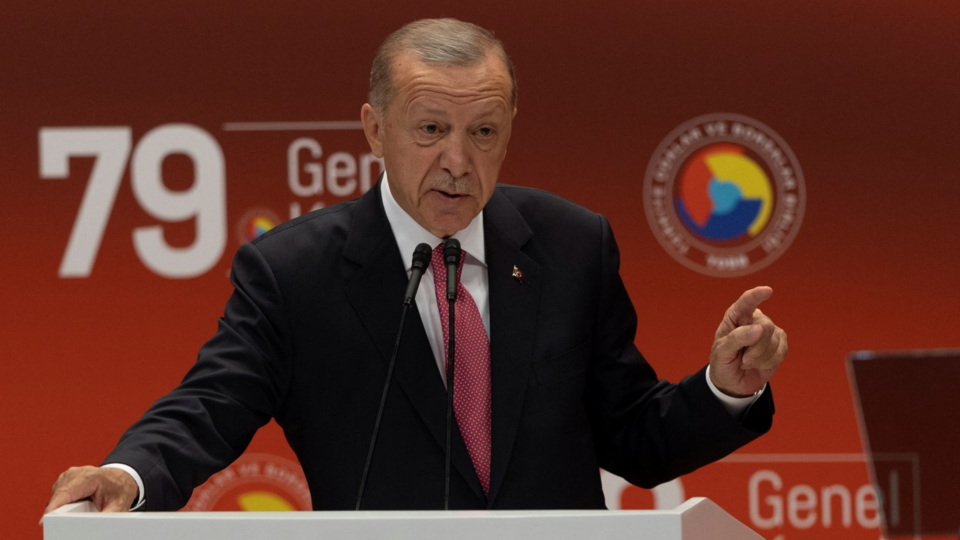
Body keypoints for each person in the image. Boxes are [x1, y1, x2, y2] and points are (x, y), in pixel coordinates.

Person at [44, 18, 787, 514]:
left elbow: (633, 436)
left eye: (484, 131)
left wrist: (726, 387)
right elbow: (209, 406)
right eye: (430, 129)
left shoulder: (571, 245)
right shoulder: (294, 273)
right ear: (374, 129)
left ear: (509, 132)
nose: (458, 162)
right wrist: (129, 477)